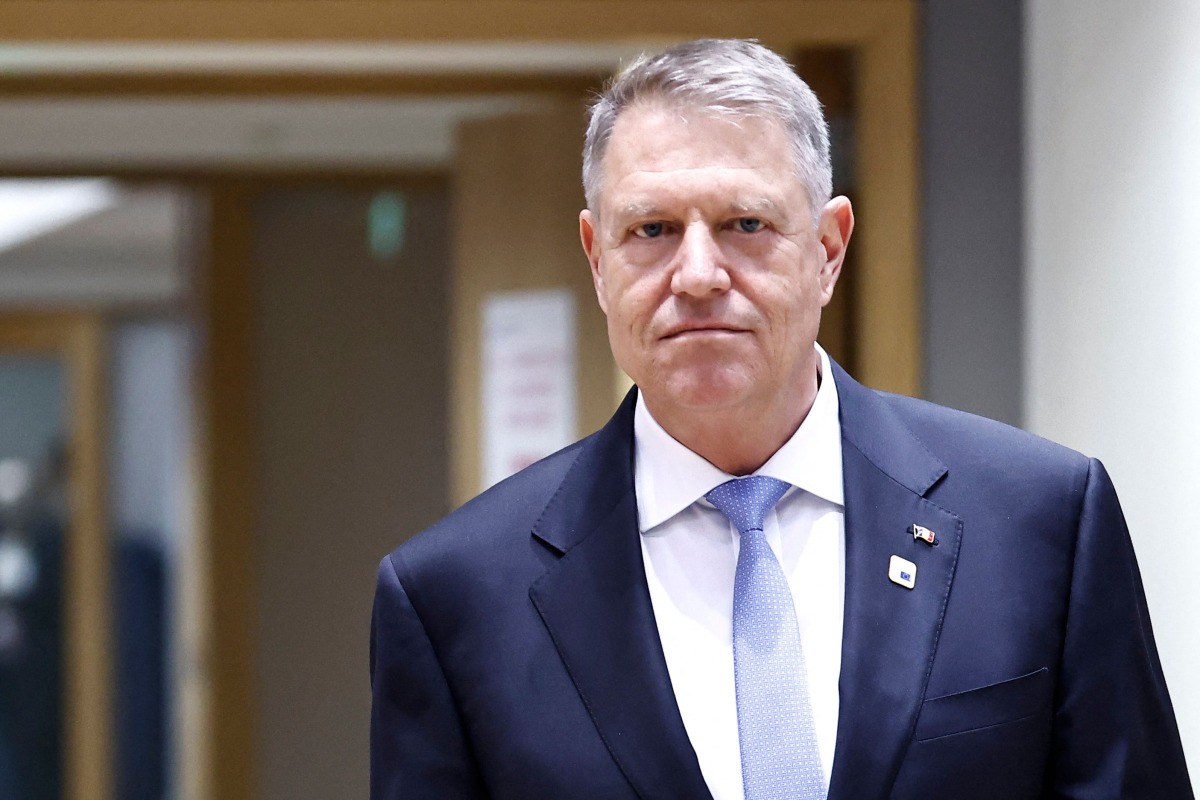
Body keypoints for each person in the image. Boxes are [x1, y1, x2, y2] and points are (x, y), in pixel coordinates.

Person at [370, 39, 1193, 799]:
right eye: (651, 230)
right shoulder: (455, 597)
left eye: (746, 225)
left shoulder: (1041, 521)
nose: (696, 274)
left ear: (829, 250)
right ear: (597, 258)